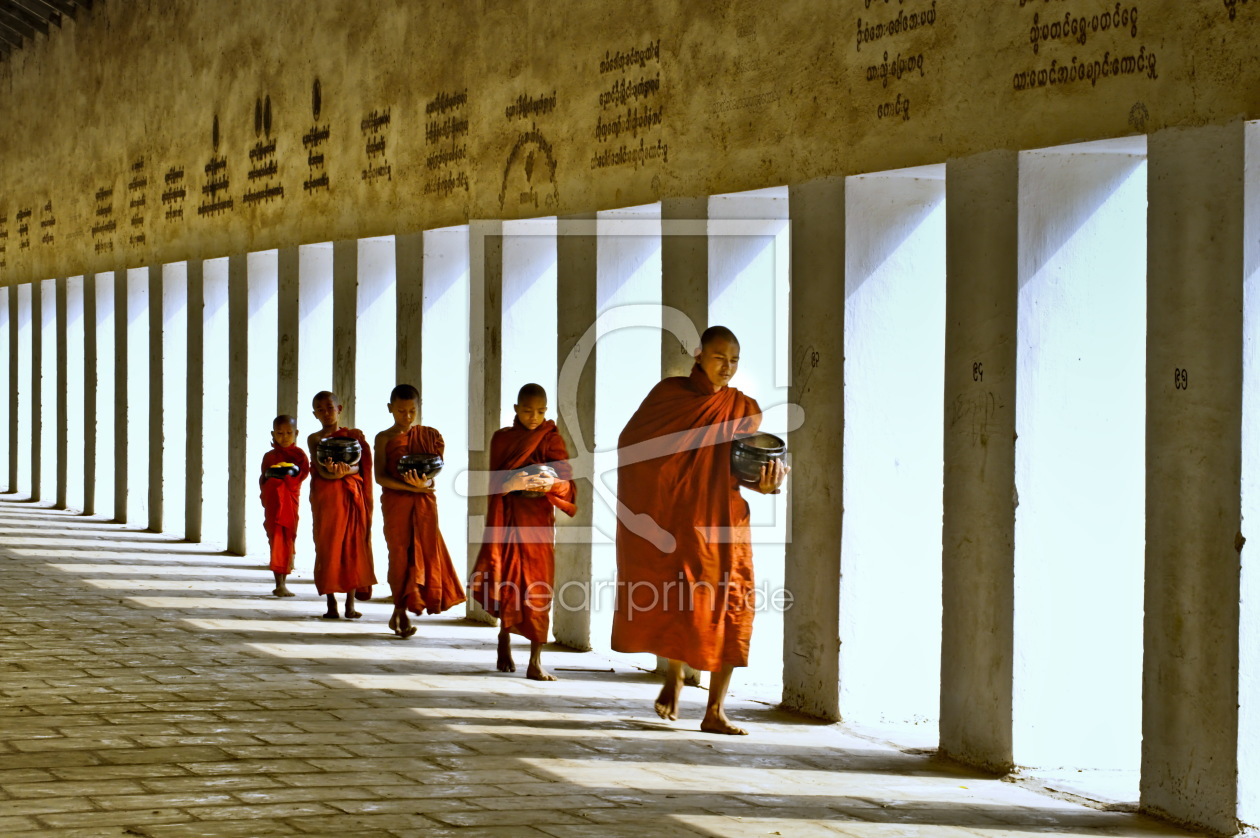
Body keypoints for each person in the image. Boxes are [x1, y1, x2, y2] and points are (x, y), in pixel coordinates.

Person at [611, 326, 789, 735]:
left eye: (734, 360)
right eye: (718, 357)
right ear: (698, 354)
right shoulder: (669, 396)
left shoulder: (743, 408)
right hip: (680, 520)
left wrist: (768, 484)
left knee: (732, 606)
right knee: (683, 600)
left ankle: (715, 710)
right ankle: (674, 677)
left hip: (725, 521)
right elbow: (633, 446)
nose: (726, 367)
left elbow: (744, 467)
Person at [470, 383, 578, 680]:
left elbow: (567, 483)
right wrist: (512, 484)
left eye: (541, 411)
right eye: (528, 411)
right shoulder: (503, 440)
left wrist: (551, 485)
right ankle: (503, 639)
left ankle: (535, 659)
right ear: (515, 409)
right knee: (507, 581)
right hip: (509, 519)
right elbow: (493, 484)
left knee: (538, 588)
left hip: (539, 523)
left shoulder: (550, 438)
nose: (534, 417)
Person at [373, 384, 466, 639]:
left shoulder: (427, 436)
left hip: (423, 501)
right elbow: (380, 476)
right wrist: (410, 488)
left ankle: (400, 611)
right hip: (397, 502)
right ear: (390, 408)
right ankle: (400, 608)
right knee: (400, 555)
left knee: (422, 553)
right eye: (401, 411)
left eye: (412, 411)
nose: (407, 416)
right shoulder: (383, 438)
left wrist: (424, 485)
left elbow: (434, 473)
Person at [307, 390, 376, 619]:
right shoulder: (315, 439)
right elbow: (321, 470)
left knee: (352, 546)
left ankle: (350, 604)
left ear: (340, 409)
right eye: (320, 409)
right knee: (328, 547)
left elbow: (359, 466)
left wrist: (344, 471)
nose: (326, 413)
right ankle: (331, 604)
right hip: (327, 499)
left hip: (350, 497)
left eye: (330, 408)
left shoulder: (352, 437)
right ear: (315, 414)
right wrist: (337, 474)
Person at [259, 414, 310, 597]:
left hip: (289, 503)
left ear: (296, 433)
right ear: (273, 434)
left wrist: (287, 477)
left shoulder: (299, 455)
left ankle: (284, 582)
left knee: (287, 539)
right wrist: (271, 478)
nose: (284, 436)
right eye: (279, 433)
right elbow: (263, 478)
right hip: (273, 504)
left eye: (289, 433)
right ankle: (278, 583)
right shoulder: (269, 456)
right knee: (275, 540)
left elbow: (302, 475)